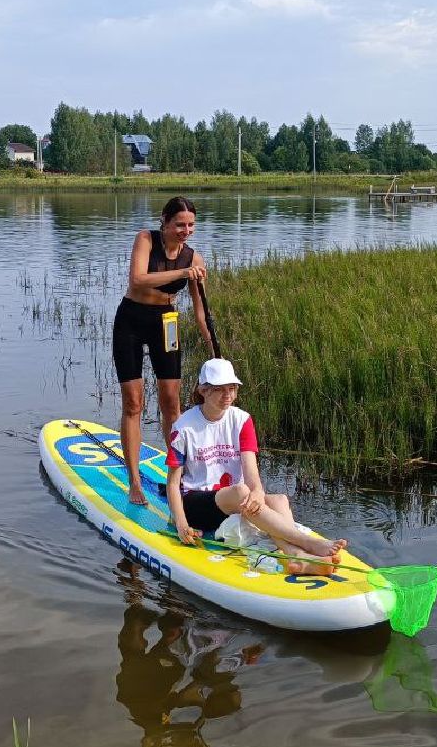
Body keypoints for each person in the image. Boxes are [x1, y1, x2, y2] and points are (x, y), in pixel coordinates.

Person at [165, 358, 346, 576]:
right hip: (196, 503)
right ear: (203, 390)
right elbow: (173, 484)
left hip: (235, 501)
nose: (228, 396)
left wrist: (258, 493)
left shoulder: (242, 420)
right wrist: (182, 524)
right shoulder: (183, 427)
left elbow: (252, 474)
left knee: (278, 499)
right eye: (220, 389)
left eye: (232, 388)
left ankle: (295, 556)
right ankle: (307, 543)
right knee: (242, 491)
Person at [113, 196, 212, 505]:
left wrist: (213, 351)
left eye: (191, 225)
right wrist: (181, 275)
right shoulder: (146, 239)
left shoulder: (194, 259)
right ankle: (134, 483)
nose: (186, 230)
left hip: (165, 324)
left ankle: (179, 479)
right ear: (165, 221)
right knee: (134, 404)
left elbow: (200, 312)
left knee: (171, 404)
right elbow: (138, 279)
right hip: (131, 319)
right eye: (180, 224)